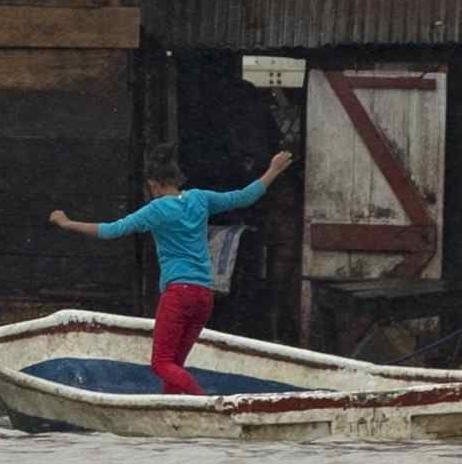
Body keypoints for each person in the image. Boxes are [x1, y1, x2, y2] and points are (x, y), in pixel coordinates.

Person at [50, 145, 293, 392]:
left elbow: (112, 230)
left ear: (153, 184)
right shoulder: (199, 198)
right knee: (175, 366)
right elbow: (243, 197)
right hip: (204, 296)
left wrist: (67, 223)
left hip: (179, 293)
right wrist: (273, 170)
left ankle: (206, 405)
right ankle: (175, 415)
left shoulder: (156, 210)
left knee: (161, 364)